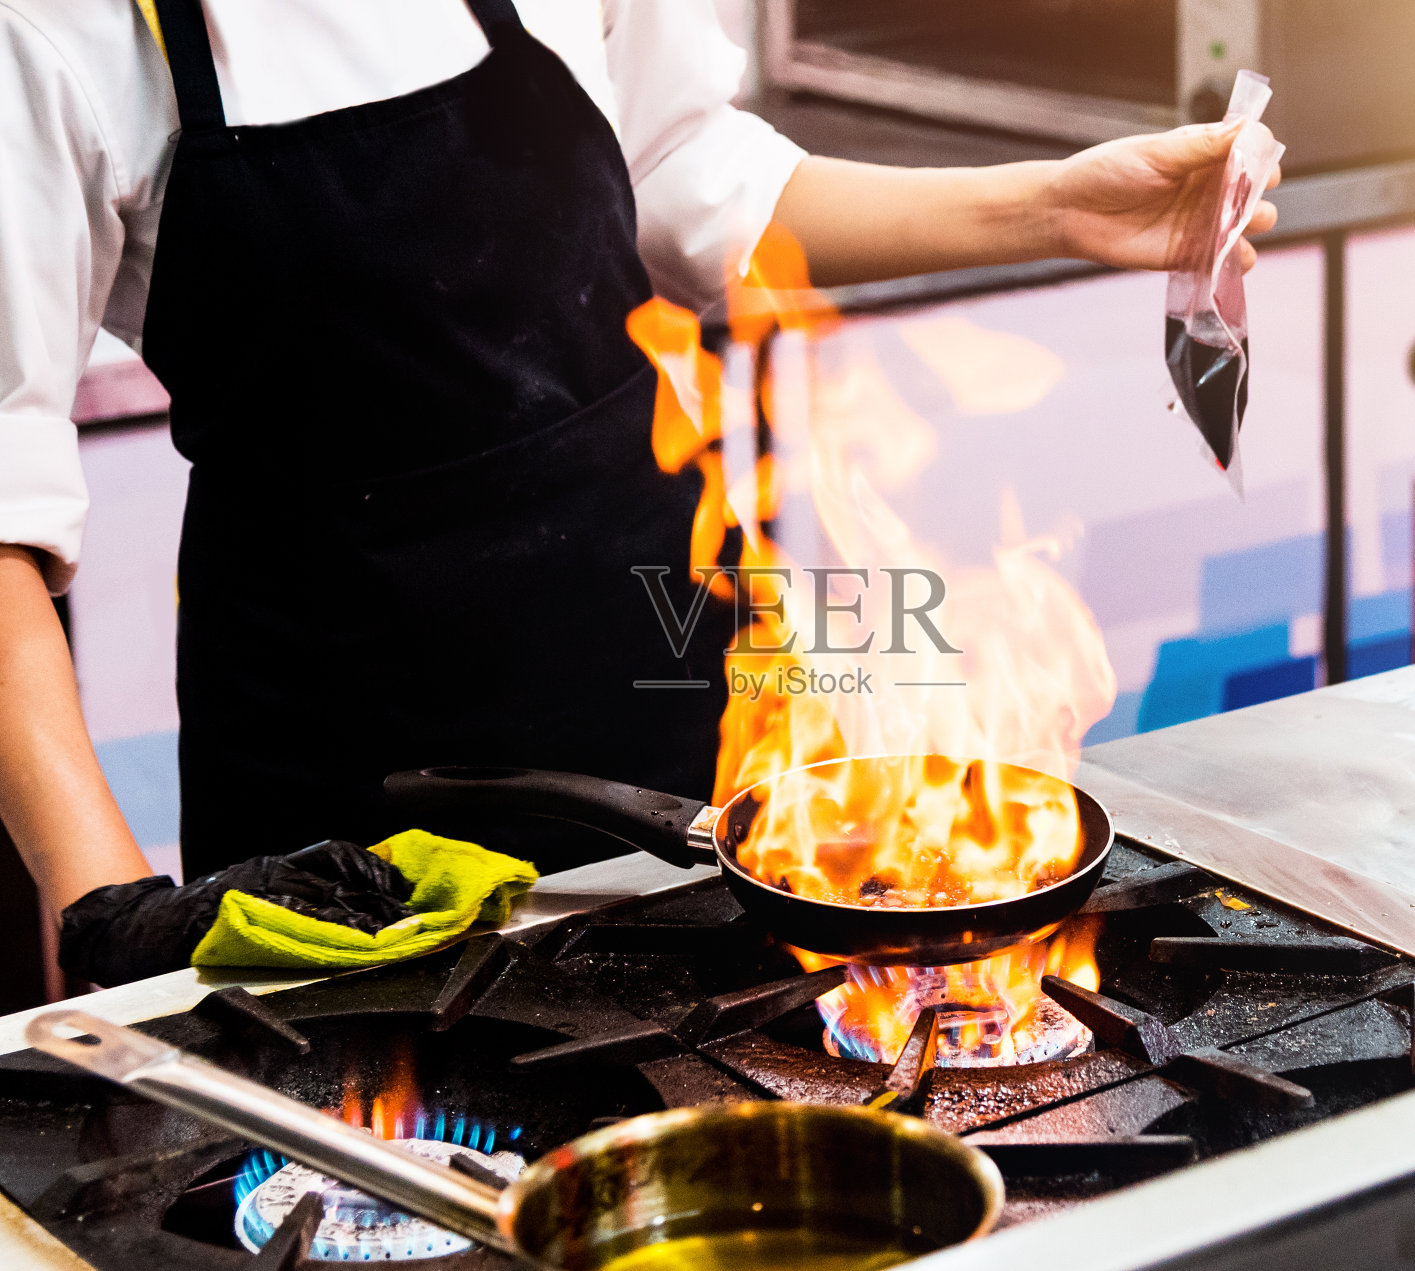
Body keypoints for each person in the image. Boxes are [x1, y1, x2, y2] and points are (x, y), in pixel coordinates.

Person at [0, 0, 1279, 936]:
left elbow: (679, 173)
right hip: (335, 744)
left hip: (646, 671)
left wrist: (1052, 206)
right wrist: (105, 902)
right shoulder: (59, 24)